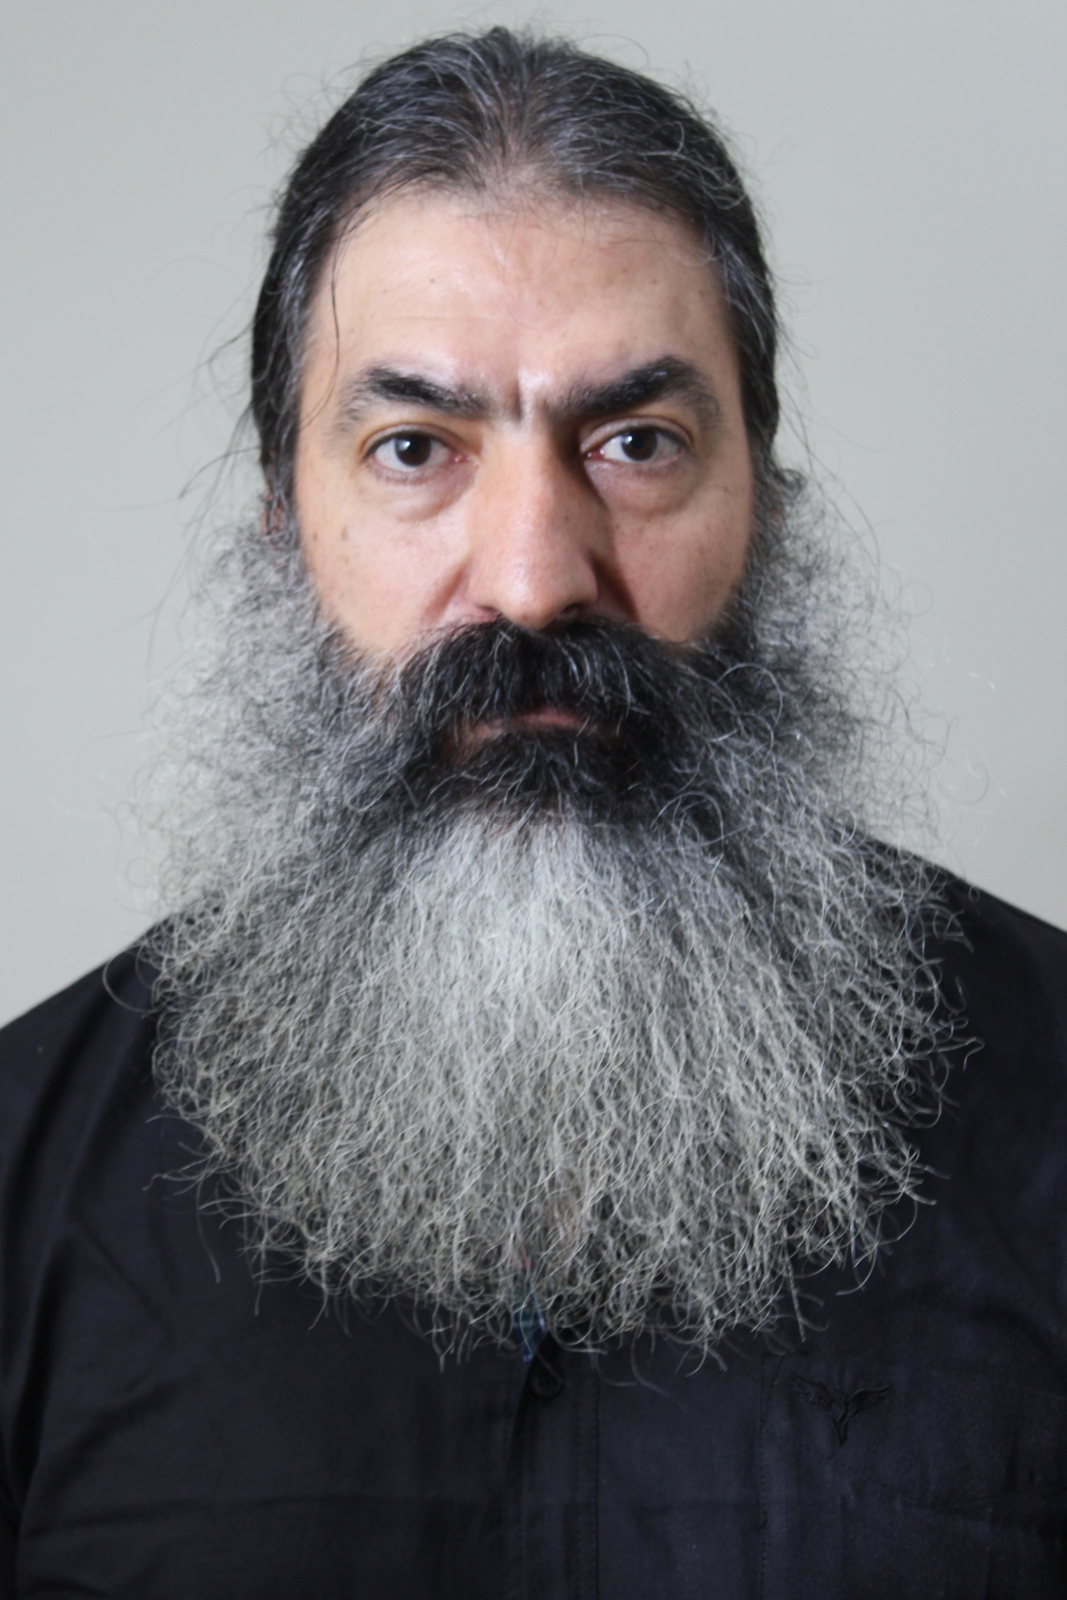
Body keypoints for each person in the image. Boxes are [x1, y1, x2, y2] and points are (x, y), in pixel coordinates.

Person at [1, 27, 1065, 1598]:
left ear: (763, 507)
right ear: (287, 525)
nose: (531, 575)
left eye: (636, 444)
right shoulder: (24, 1182)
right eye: (413, 449)